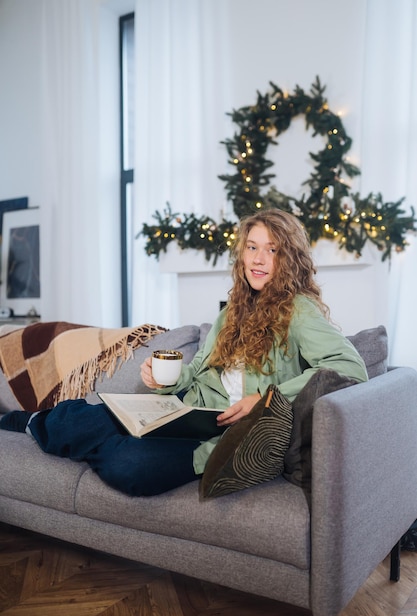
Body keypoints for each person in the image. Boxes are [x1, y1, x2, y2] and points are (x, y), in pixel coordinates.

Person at [0, 208, 368, 496]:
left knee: (127, 467)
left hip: (223, 435)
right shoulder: (232, 310)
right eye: (252, 247)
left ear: (288, 259)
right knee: (86, 417)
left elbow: (349, 367)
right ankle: (25, 421)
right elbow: (199, 371)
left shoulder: (298, 311)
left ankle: (72, 433)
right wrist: (165, 379)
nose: (258, 259)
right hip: (185, 411)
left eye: (272, 250)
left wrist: (266, 400)